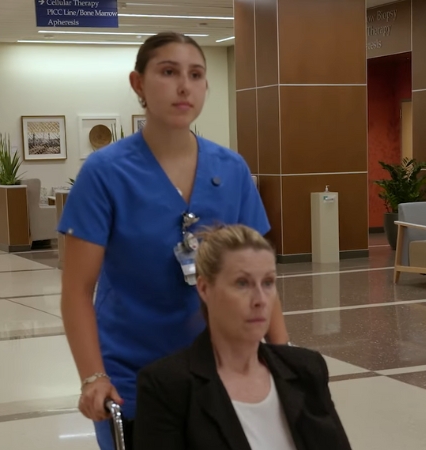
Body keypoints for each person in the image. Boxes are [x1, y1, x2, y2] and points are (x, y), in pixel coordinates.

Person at [57, 31, 290, 449]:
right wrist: (93, 377)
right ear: (138, 84)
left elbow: (261, 280)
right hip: (132, 375)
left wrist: (282, 356)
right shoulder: (105, 173)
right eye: (168, 72)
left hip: (223, 369)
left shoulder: (231, 169)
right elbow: (77, 290)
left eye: (196, 74)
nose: (185, 86)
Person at [134, 225, 352, 450]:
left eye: (268, 283)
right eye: (242, 283)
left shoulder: (306, 369)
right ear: (205, 288)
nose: (260, 300)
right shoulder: (168, 387)